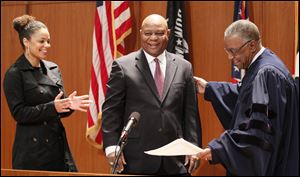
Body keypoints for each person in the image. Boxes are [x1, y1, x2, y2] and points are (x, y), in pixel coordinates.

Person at [194, 20, 299, 175]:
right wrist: (209, 89)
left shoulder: (267, 73)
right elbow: (247, 98)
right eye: (227, 51)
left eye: (234, 51)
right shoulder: (264, 65)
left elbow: (259, 132)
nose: (230, 57)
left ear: (252, 45)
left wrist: (221, 149)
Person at [101, 14, 202, 175]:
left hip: (175, 160)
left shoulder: (184, 67)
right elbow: (111, 111)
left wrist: (193, 147)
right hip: (135, 158)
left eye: (159, 33)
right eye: (148, 33)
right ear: (141, 33)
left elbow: (191, 114)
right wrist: (112, 147)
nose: (153, 38)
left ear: (168, 33)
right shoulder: (122, 66)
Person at [3, 15, 92, 172]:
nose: (47, 45)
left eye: (48, 41)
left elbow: (59, 107)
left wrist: (69, 105)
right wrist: (53, 108)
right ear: (26, 42)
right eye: (41, 41)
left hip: (57, 145)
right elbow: (19, 113)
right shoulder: (15, 73)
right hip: (32, 151)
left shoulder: (53, 68)